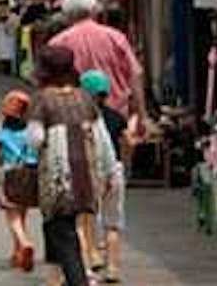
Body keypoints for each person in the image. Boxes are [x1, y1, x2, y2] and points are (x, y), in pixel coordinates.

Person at [27, 45, 118, 286]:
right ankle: (59, 278)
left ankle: (78, 280)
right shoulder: (85, 97)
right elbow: (101, 136)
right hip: (87, 176)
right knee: (69, 228)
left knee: (63, 233)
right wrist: (109, 172)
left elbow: (35, 139)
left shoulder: (42, 99)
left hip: (58, 178)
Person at [48, 0, 147, 133]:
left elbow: (49, 89)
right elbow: (134, 76)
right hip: (117, 119)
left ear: (66, 14)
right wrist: (142, 116)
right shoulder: (115, 38)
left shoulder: (57, 44)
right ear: (94, 10)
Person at [80, 69, 128, 284]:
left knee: (85, 223)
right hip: (115, 171)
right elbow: (127, 142)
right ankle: (113, 268)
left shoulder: (82, 119)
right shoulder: (117, 117)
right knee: (113, 224)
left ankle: (89, 263)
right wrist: (125, 164)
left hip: (91, 174)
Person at [0, 89, 37, 273]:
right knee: (22, 214)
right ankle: (17, 253)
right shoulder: (32, 131)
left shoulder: (2, 134)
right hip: (32, 173)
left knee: (12, 216)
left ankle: (24, 243)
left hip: (13, 174)